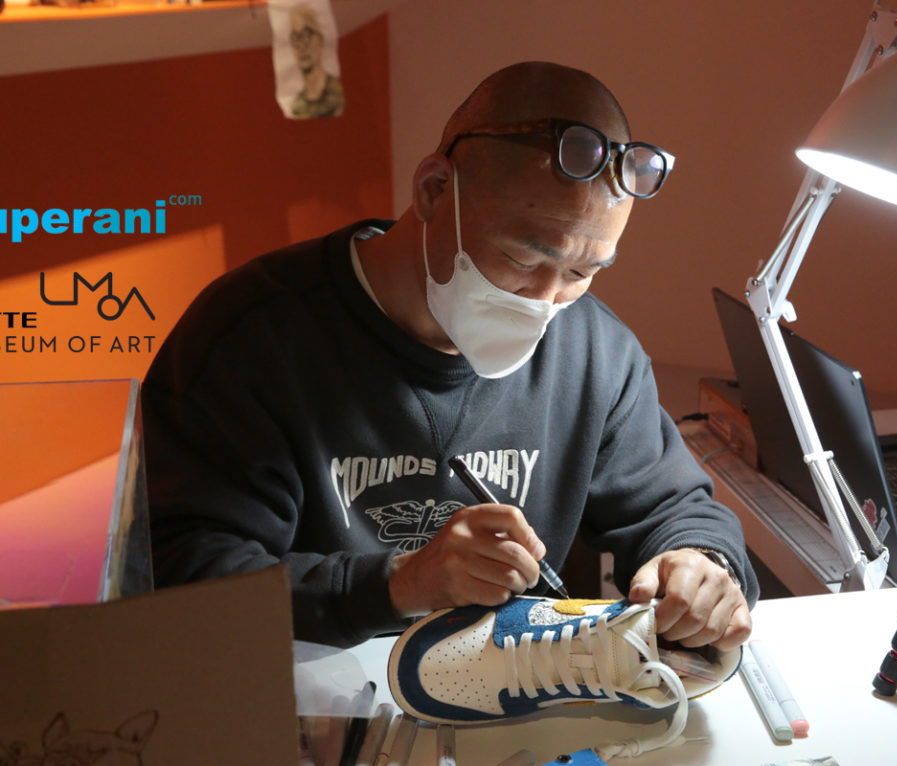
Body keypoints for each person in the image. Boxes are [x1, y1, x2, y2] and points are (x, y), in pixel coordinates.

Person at [143, 61, 759, 650]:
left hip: (510, 692)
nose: (545, 302)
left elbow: (673, 508)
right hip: (307, 687)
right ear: (435, 190)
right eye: (522, 258)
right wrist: (397, 584)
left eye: (581, 272)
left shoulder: (594, 353)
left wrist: (700, 564)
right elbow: (183, 570)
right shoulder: (251, 339)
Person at [288, 4, 344, 119]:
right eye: (295, 38)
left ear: (321, 40)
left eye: (307, 35)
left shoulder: (335, 95)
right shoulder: (296, 106)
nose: (302, 46)